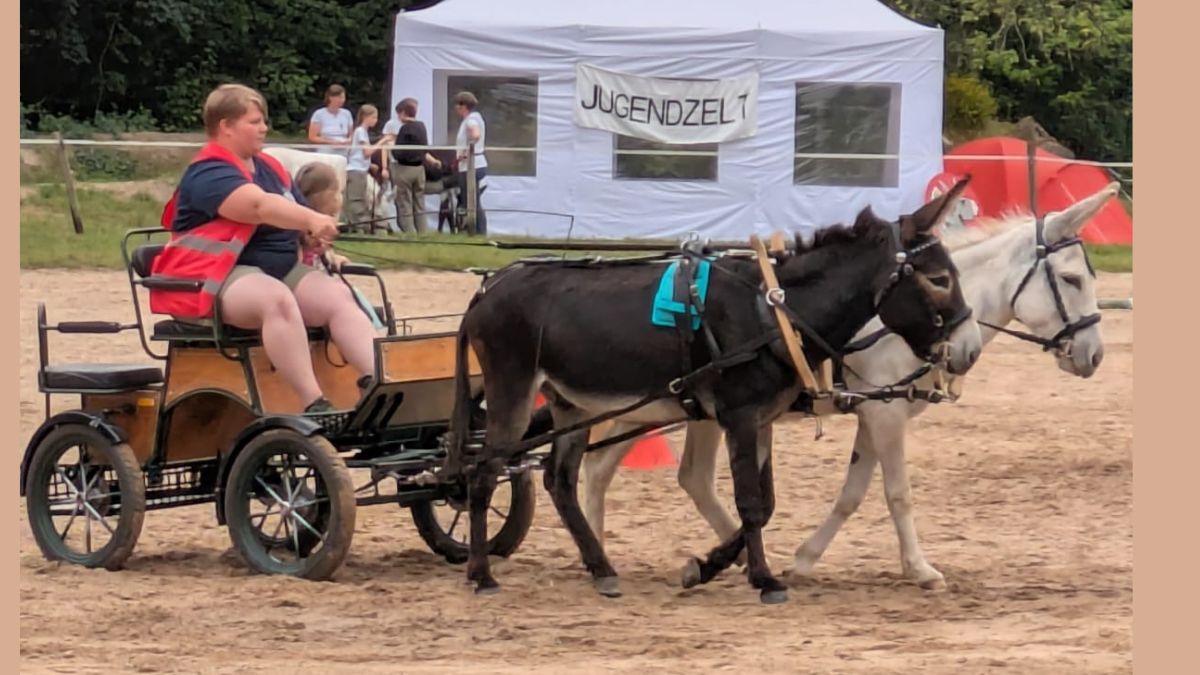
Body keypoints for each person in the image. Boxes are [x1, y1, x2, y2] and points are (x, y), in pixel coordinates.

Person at [151, 83, 377, 414]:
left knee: (338, 297)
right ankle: (314, 402)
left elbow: (293, 213)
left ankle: (379, 381)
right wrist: (312, 218)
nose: (264, 128)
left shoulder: (269, 168)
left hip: (275, 269)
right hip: (212, 276)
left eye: (263, 121)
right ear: (225, 126)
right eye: (254, 121)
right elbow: (258, 207)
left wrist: (310, 235)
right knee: (276, 299)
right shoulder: (208, 172)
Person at [381, 98, 442, 234]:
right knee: (419, 203)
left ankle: (409, 232)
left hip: (404, 170)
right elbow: (423, 148)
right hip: (419, 169)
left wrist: (392, 147)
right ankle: (422, 231)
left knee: (404, 203)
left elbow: (399, 152)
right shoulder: (422, 127)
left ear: (403, 113)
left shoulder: (405, 129)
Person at [453, 91, 488, 235]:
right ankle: (478, 231)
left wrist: (468, 150)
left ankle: (478, 231)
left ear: (463, 106)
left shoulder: (471, 120)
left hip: (471, 166)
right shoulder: (476, 117)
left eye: (457, 105)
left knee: (471, 201)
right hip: (477, 163)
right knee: (473, 200)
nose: (455, 109)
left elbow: (475, 134)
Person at [346, 104, 381, 233]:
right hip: (356, 170)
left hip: (361, 169)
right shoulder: (360, 131)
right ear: (366, 117)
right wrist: (382, 142)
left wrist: (370, 164)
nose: (375, 120)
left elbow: (359, 153)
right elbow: (366, 152)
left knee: (360, 197)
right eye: (374, 117)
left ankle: (360, 226)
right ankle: (360, 227)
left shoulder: (362, 132)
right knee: (356, 199)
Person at [308, 84, 353, 157]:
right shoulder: (319, 114)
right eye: (340, 97)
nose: (342, 100)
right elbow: (312, 137)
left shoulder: (347, 114)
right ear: (331, 98)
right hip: (326, 152)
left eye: (343, 97)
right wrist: (331, 142)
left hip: (343, 152)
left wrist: (348, 140)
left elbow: (351, 134)